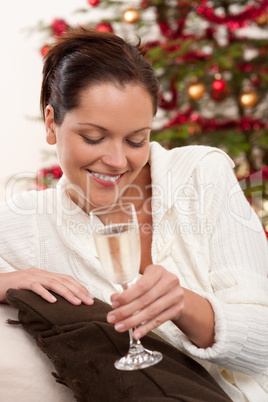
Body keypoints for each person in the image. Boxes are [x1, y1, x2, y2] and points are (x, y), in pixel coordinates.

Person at [0, 27, 268, 401]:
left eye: (135, 140)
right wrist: (5, 280)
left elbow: (264, 342)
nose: (116, 161)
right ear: (51, 123)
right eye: (93, 138)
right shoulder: (24, 223)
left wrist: (184, 305)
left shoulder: (200, 174)